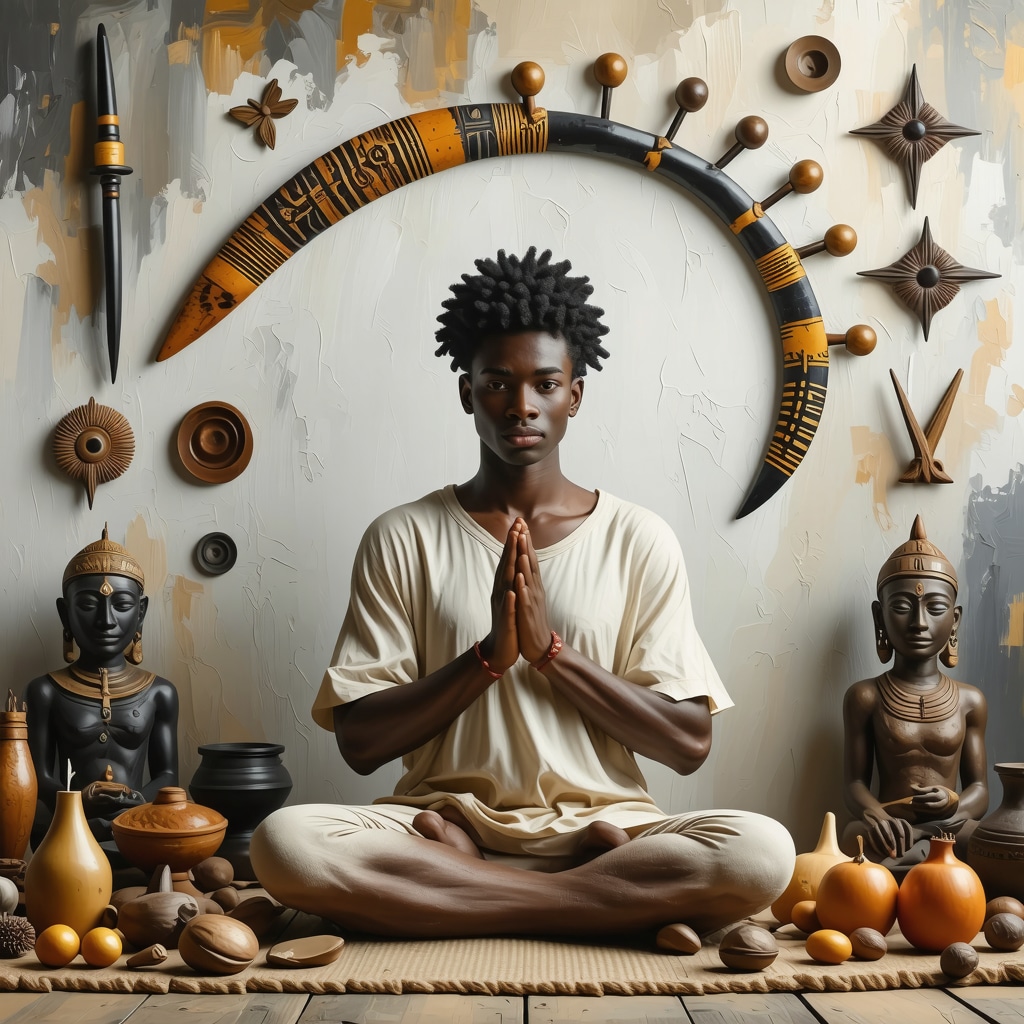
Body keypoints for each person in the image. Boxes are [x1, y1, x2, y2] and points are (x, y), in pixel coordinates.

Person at [251, 248, 795, 939]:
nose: (521, 406)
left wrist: (549, 655)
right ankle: (591, 905)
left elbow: (688, 742)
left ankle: (480, 893)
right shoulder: (403, 535)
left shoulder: (638, 537)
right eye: (497, 383)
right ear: (465, 392)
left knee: (761, 851)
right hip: (440, 825)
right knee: (287, 842)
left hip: (606, 827)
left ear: (576, 394)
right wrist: (487, 657)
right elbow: (360, 742)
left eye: (544, 384)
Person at [841, 515, 988, 875]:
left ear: (954, 620)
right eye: (903, 607)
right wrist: (876, 815)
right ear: (880, 617)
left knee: (987, 838)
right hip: (891, 827)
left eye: (935, 608)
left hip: (950, 826)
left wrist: (954, 803)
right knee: (853, 835)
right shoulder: (866, 696)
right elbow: (854, 784)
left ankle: (916, 865)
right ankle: (926, 866)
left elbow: (981, 790)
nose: (919, 622)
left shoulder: (970, 701)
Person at [26, 527, 179, 847]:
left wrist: (133, 800)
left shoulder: (159, 692)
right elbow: (37, 778)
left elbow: (167, 776)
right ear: (64, 613)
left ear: (141, 613)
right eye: (87, 604)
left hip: (137, 827)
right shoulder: (46, 691)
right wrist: (79, 801)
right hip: (71, 826)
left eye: (122, 604)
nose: (106, 620)